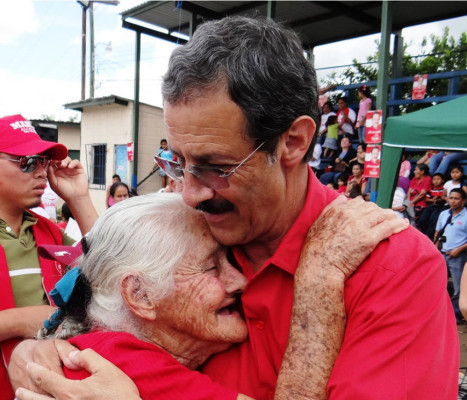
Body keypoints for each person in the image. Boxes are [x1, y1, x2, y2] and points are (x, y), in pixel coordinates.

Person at [10, 16, 457, 400]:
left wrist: (317, 289)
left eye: (215, 166)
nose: (188, 193)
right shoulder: (188, 231)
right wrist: (39, 353)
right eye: (178, 162)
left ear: (294, 142)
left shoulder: (392, 268)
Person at [30, 193, 400, 400]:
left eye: (232, 260)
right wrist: (318, 281)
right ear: (140, 295)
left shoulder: (100, 346)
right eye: (211, 267)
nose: (239, 281)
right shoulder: (124, 359)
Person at [0, 114, 98, 399]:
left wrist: (78, 198)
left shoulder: (49, 233)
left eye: (44, 162)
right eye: (27, 162)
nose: (42, 172)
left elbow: (111, 266)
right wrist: (25, 320)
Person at [435, 188, 467, 324]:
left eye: (456, 198)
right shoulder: (444, 214)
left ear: (463, 201)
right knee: (438, 285)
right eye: (451, 198)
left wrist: (459, 249)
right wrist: (435, 250)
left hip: (458, 256)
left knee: (459, 288)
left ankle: (456, 315)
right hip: (442, 253)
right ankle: (440, 313)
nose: (453, 201)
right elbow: (437, 233)